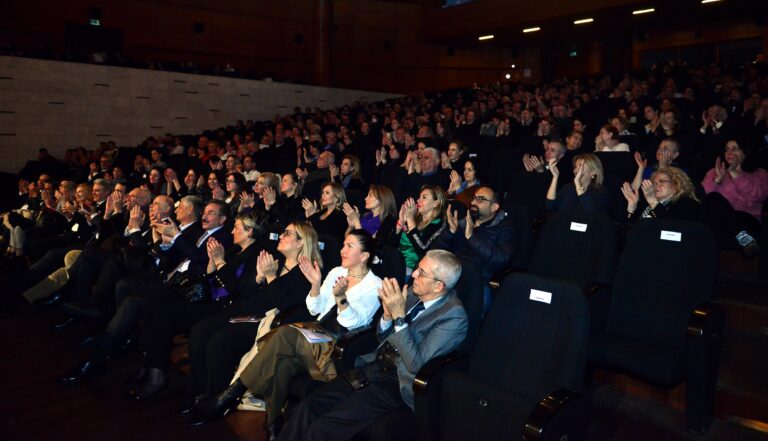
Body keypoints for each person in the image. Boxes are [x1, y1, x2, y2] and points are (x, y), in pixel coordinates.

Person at [194, 230, 382, 437]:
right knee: (282, 363)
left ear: (364, 256)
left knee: (284, 334)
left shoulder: (375, 286)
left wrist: (341, 298)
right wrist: (316, 285)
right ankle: (274, 428)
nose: (342, 250)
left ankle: (231, 394)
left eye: (349, 246)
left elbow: (355, 323)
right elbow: (314, 308)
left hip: (333, 347)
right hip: (312, 335)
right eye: (343, 244)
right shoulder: (337, 271)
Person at [277, 250, 468, 441]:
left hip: (397, 383)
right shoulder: (412, 293)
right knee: (309, 406)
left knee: (325, 427)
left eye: (422, 272)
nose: (415, 274)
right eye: (418, 267)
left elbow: (416, 364)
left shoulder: (453, 317)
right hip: (373, 367)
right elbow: (381, 337)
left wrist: (399, 319)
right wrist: (386, 316)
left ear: (438, 286)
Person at [183, 221, 323, 426]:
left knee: (220, 341)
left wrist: (271, 276)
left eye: (287, 233)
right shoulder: (274, 260)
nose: (281, 236)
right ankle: (198, 392)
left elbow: (283, 306)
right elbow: (243, 289)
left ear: (302, 243)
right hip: (246, 310)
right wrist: (258, 277)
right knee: (200, 330)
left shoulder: (306, 272)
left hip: (267, 323)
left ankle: (217, 401)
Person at [123, 211, 263, 400]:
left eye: (237, 228)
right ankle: (149, 363)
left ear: (249, 232)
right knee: (157, 299)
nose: (232, 232)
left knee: (166, 313)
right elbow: (210, 278)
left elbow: (236, 289)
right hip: (208, 297)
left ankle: (157, 375)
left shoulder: (255, 255)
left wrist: (220, 262)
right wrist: (213, 264)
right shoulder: (233, 250)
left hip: (224, 307)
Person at [701, 139, 768, 258]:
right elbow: (702, 196)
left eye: (735, 148)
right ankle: (744, 238)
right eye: (727, 149)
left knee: (720, 223)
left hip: (747, 218)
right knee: (713, 198)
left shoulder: (759, 173)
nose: (729, 152)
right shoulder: (715, 172)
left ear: (745, 152)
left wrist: (734, 173)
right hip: (720, 221)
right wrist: (717, 180)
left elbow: (758, 195)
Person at [396, 185, 447, 274]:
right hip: (397, 262)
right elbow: (391, 244)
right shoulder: (415, 218)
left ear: (435, 203)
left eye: (424, 197)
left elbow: (423, 250)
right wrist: (400, 223)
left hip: (414, 270)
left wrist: (410, 219)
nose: (418, 200)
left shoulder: (438, 224)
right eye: (419, 197)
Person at [621, 167, 702, 222]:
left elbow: (672, 230)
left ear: (676, 184)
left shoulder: (686, 203)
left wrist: (653, 202)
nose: (656, 186)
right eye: (654, 183)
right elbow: (630, 230)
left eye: (661, 181)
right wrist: (631, 208)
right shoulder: (647, 203)